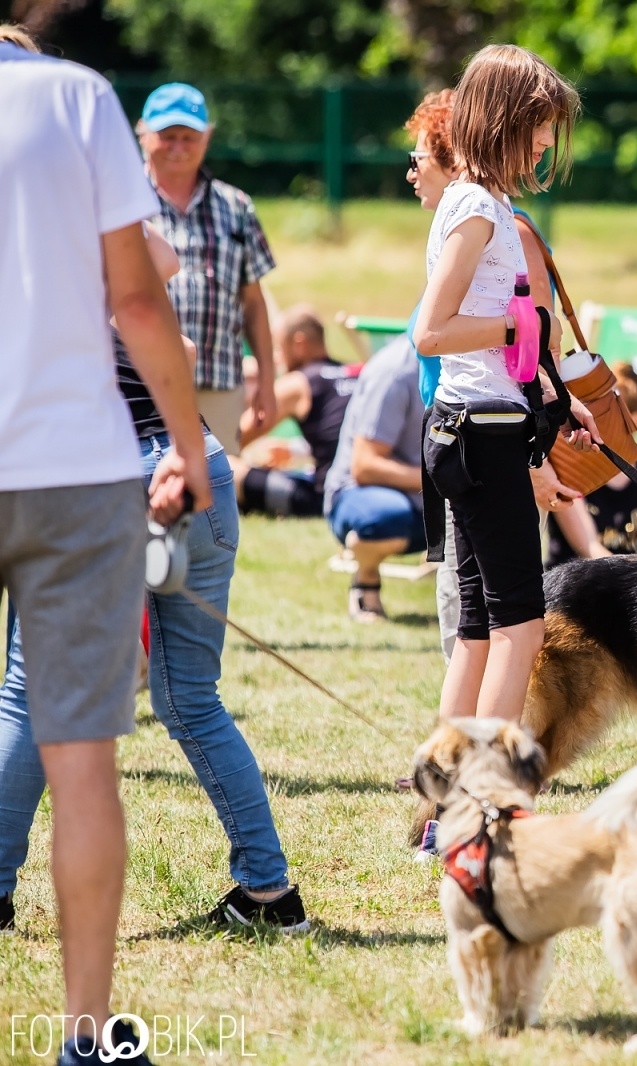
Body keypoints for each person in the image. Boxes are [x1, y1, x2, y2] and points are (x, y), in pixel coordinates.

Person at [2, 225, 307, 948]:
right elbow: (166, 266)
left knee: (27, 694)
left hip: (109, 485)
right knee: (192, 700)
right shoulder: (104, 276)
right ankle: (272, 892)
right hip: (197, 467)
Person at [1, 31, 212, 1065]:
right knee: (81, 762)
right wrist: (188, 443)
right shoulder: (77, 98)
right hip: (71, 466)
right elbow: (139, 294)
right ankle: (84, 1035)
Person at [414, 43, 600, 730]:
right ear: (503, 120)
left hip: (475, 431)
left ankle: (443, 799)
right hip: (481, 435)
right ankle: (486, 794)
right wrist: (510, 327)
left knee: (478, 627)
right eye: (540, 122)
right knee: (521, 625)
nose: (548, 139)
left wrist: (545, 417)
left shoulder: (478, 203)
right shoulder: (479, 211)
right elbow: (430, 332)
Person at [138, 82, 276, 455]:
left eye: (189, 137)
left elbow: (253, 302)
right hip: (142, 377)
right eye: (168, 137)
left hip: (218, 378)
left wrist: (266, 379)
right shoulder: (124, 203)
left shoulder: (236, 206)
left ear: (207, 137)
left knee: (215, 488)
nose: (178, 148)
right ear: (143, 134)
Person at [322, 333, 426, 621]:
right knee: (382, 519)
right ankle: (365, 578)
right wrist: (442, 481)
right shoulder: (396, 371)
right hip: (360, 494)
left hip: (429, 493)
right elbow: (365, 466)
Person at [545, 364, 637, 566]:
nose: (592, 425)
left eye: (603, 417)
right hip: (578, 586)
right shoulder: (570, 473)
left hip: (636, 584)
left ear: (634, 420)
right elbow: (590, 548)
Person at [230, 305, 357, 518]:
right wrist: (293, 450)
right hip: (367, 491)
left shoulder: (300, 383)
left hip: (326, 499)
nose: (277, 359)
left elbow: (236, 436)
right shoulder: (354, 374)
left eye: (278, 349)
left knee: (226, 468)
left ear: (299, 344)